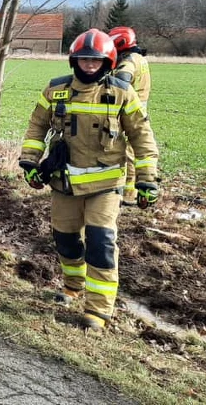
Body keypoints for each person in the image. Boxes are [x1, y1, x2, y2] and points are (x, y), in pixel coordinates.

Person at [18, 28, 161, 331]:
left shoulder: (122, 92)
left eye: (96, 60)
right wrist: (29, 161)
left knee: (100, 242)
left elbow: (142, 137)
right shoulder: (55, 90)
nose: (90, 64)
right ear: (75, 61)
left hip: (105, 186)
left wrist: (147, 179)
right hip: (64, 183)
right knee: (65, 240)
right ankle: (73, 286)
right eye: (84, 59)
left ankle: (98, 310)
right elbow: (36, 126)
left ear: (107, 62)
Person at [107, 26, 152, 204]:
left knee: (128, 153)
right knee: (133, 150)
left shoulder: (129, 61)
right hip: (138, 109)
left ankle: (128, 194)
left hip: (129, 111)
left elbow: (120, 82)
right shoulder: (140, 58)